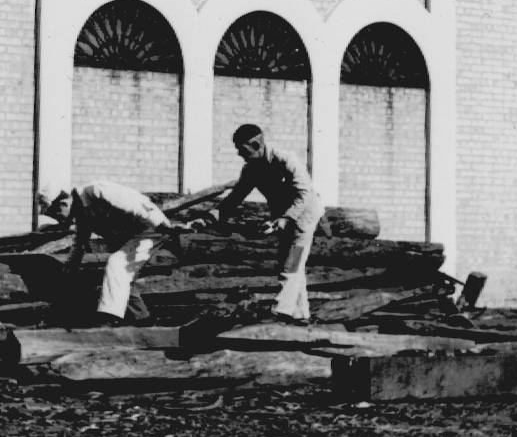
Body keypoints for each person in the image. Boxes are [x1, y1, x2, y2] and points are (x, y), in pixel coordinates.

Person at [216, 123, 324, 323]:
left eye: (242, 150)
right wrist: (215, 214)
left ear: (256, 145)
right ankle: (301, 314)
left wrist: (286, 218)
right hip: (283, 218)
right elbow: (236, 196)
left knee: (292, 264)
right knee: (291, 263)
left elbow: (304, 193)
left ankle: (281, 311)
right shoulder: (251, 169)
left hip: (304, 216)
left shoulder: (286, 160)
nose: (239, 154)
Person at [44, 180, 192, 323]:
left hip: (149, 228)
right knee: (120, 277)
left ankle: (110, 316)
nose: (60, 219)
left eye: (57, 213)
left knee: (117, 264)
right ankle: (142, 318)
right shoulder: (81, 212)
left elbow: (136, 204)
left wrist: (162, 225)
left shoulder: (96, 190)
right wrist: (70, 266)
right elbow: (80, 242)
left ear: (64, 203)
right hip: (130, 236)